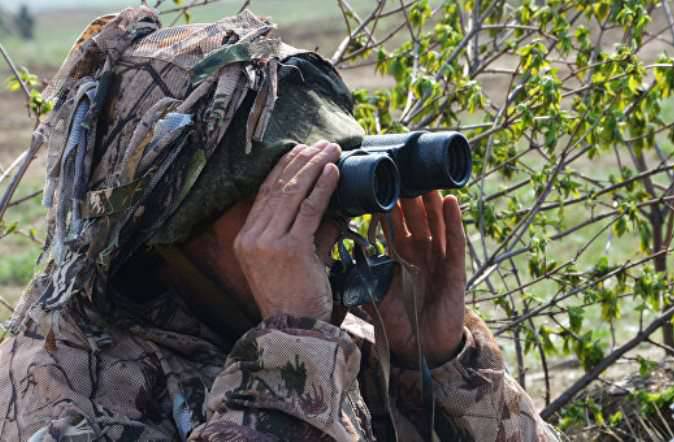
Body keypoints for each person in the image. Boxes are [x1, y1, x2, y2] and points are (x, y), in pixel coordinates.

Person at [0, 7, 558, 441]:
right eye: (282, 192)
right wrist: (291, 347)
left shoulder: (337, 339)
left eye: (331, 182)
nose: (326, 219)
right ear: (173, 226)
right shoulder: (62, 388)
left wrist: (436, 364)